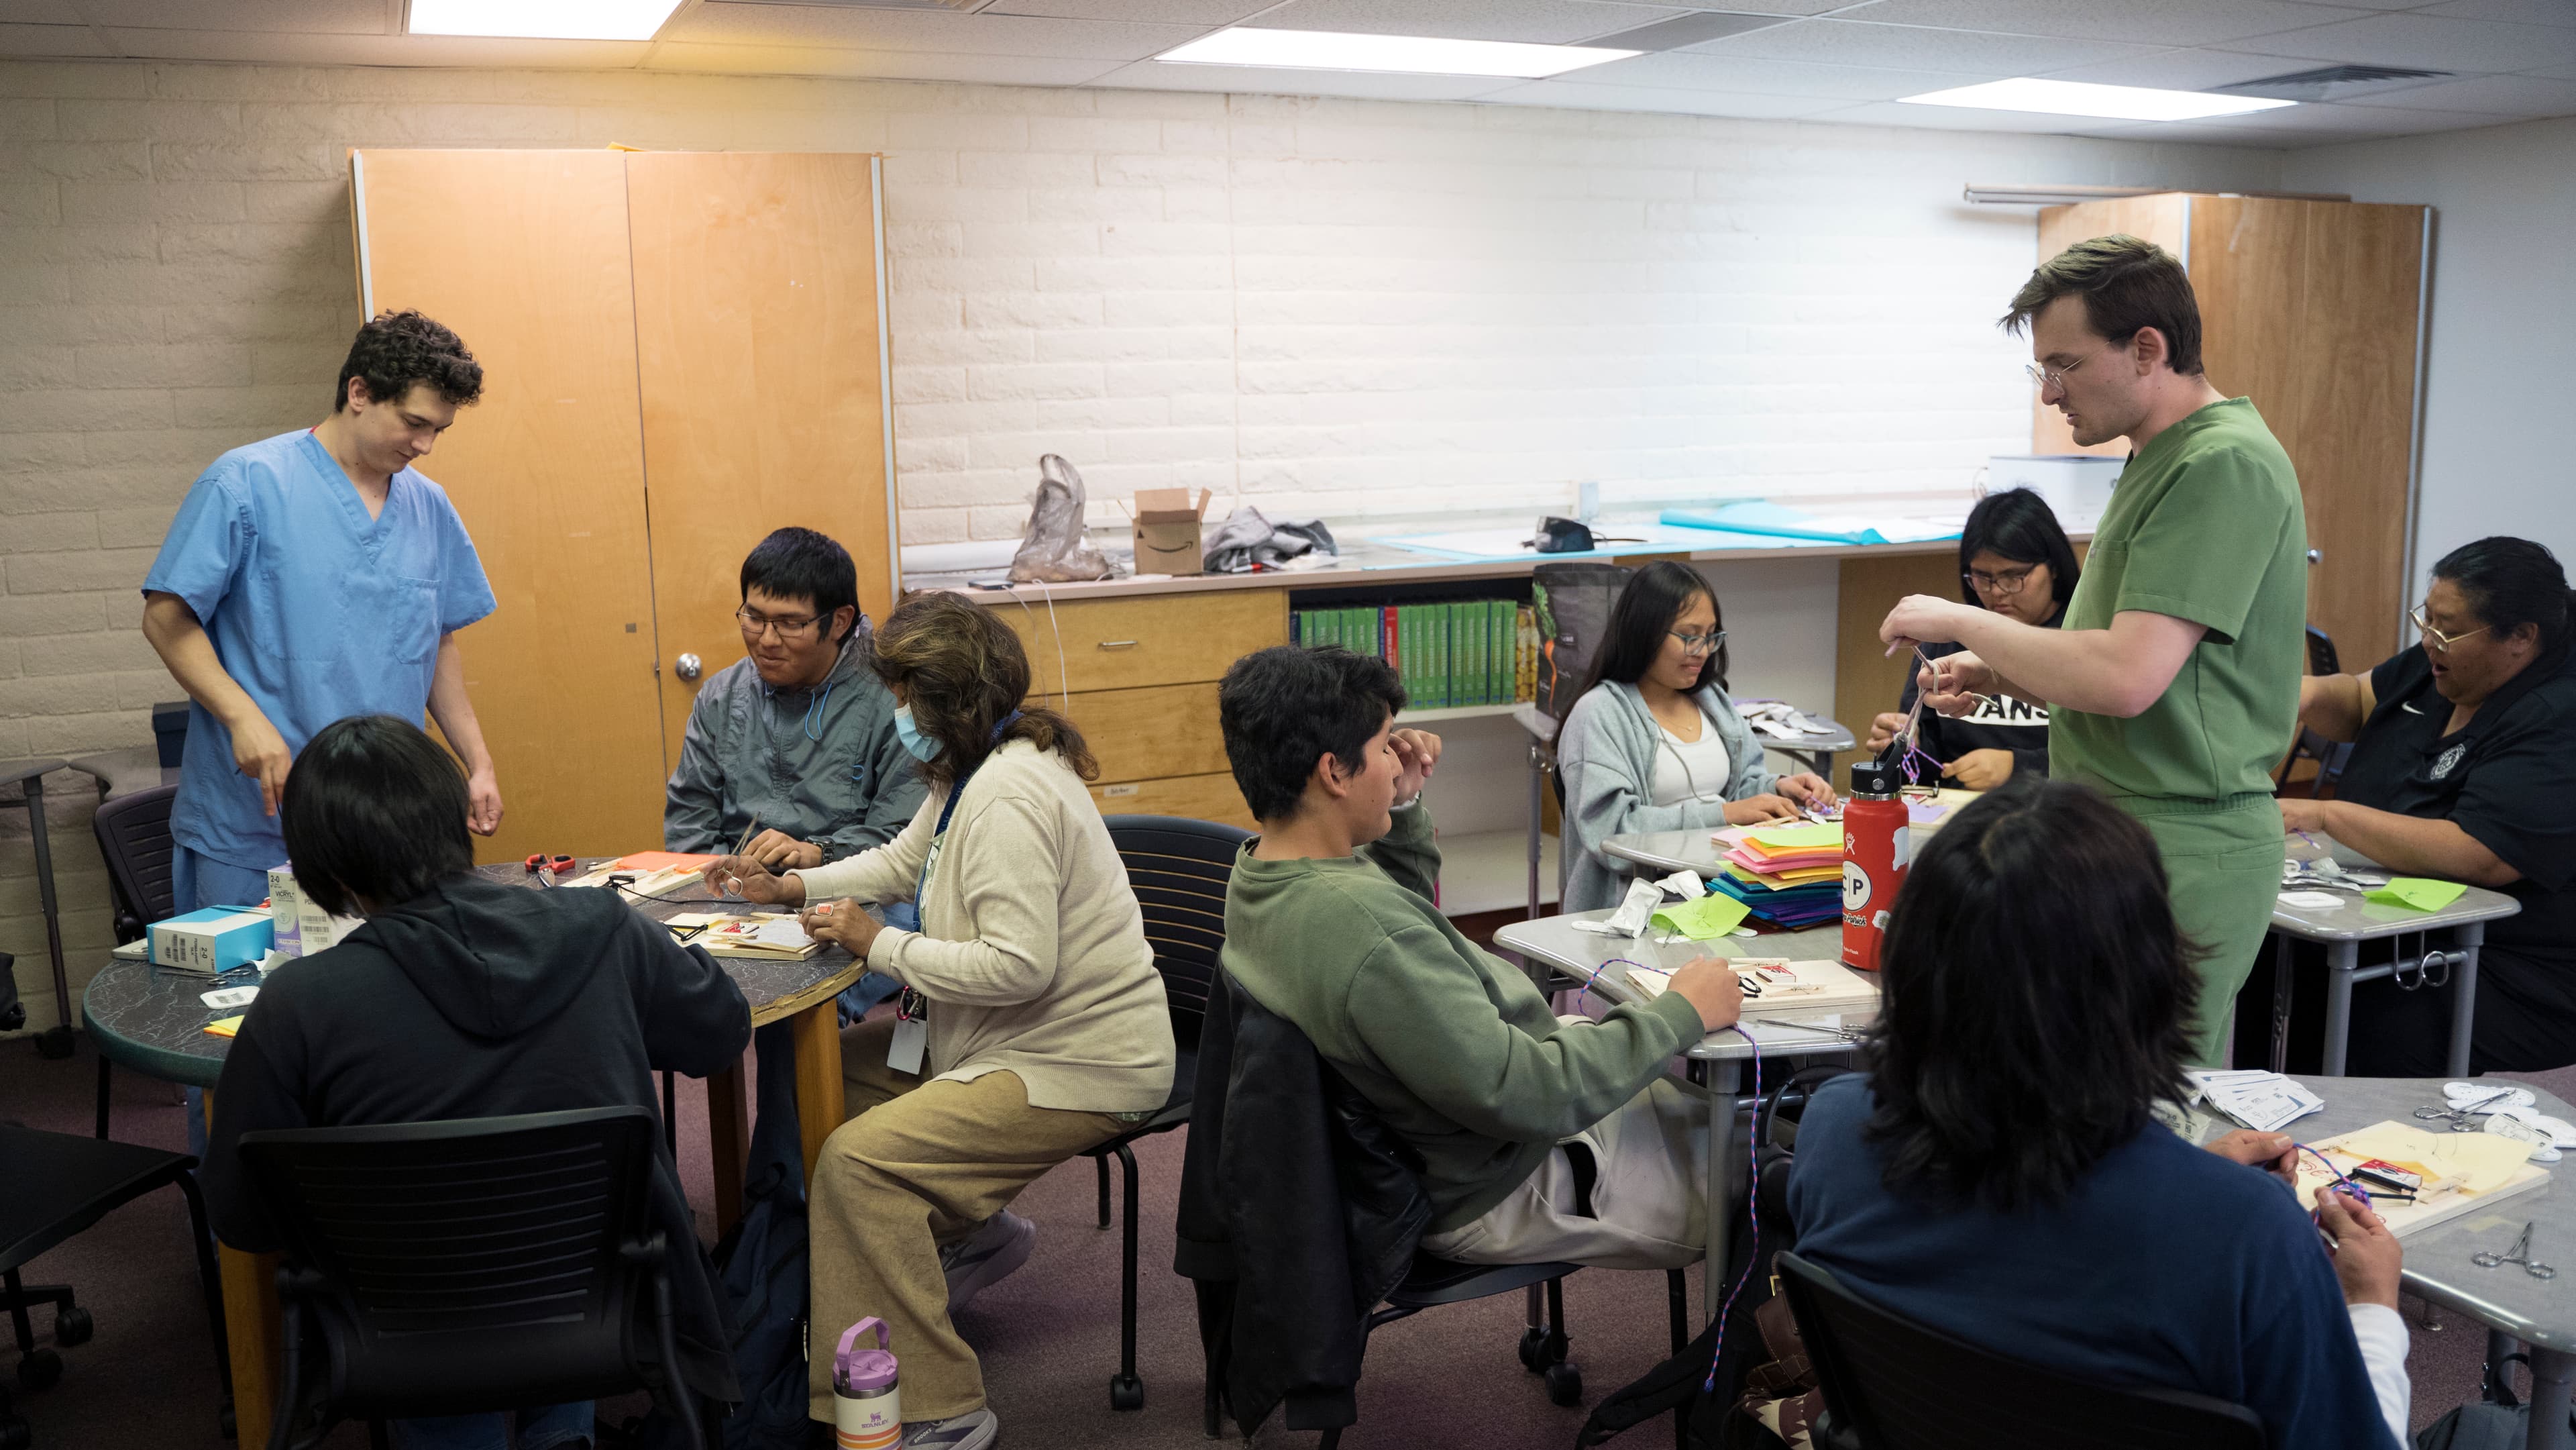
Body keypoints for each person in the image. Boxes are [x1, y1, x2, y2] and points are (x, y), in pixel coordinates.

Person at [1788, 780, 2410, 1450]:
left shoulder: (1832, 1134)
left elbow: (2023, 1257)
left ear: (1910, 959)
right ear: (2149, 980)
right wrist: (2373, 1309)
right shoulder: (2250, 1238)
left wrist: (2191, 1184)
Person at [199, 715, 751, 1450]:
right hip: (605, 1308)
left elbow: (240, 1214)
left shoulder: (301, 1002)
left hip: (399, 1333)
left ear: (322, 870)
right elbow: (719, 1032)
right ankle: (561, 1436)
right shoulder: (602, 928)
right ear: (459, 817)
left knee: (434, 1276)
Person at [705, 593, 1173, 1450]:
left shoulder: (1008, 796)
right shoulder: (973, 770)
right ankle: (969, 1232)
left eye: (903, 695)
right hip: (1003, 1037)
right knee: (824, 1078)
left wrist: (878, 943)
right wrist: (795, 888)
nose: (894, 714)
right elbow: (903, 859)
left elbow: (1016, 965)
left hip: (1080, 1066)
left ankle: (940, 1407)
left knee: (860, 1162)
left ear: (946, 699)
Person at [1880, 234, 2308, 1066]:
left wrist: (1961, 620)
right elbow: (2139, 669)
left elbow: (2127, 679)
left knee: (2145, 1117)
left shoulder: (2222, 465)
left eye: (2065, 365)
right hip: (2117, 828)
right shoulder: (2157, 457)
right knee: (2080, 1100)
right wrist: (2001, 668)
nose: (2050, 392)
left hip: (2185, 838)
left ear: (2147, 349)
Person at [1216, 643, 1746, 1270]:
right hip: (1502, 1178)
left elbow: (1396, 924)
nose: (1397, 759)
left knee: (1722, 1112)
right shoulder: (1366, 934)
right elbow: (1526, 1091)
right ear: (1334, 772)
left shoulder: (1267, 873)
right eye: (1386, 746)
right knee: (1777, 1178)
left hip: (1456, 1133)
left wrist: (1400, 805)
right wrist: (1679, 1013)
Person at [142, 309, 504, 917]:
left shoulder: (429, 507)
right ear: (359, 392)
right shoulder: (246, 483)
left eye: (438, 430)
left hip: (382, 824)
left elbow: (435, 642)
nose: (424, 445)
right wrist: (242, 718)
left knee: (382, 1000)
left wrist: (479, 762)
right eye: (414, 422)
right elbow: (165, 618)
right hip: (258, 823)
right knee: (246, 1005)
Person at [2275, 537, 2576, 1075]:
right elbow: (2362, 701)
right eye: (2427, 620)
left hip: (2515, 962)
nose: (2430, 640)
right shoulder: (2448, 659)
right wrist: (2297, 695)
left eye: (2448, 629)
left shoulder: (2557, 713)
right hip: (2400, 916)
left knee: (2371, 1016)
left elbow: (2484, 852)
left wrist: (2324, 815)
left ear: (2521, 638)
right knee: (2278, 960)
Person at [1557, 562, 1839, 913]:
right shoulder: (1600, 713)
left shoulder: (1712, 701)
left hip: (1723, 891)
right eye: (1690, 636)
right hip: (1638, 910)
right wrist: (1726, 813)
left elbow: (1739, 790)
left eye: (1711, 636)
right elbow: (1612, 833)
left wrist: (1778, 790)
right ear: (1644, 632)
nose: (1703, 651)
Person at [664, 527, 924, 874]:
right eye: (754, 618)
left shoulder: (893, 700)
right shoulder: (721, 697)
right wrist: (723, 882)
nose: (767, 640)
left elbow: (905, 837)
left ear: (839, 621)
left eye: (790, 623)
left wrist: (817, 854)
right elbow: (689, 824)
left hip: (849, 894)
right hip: (732, 896)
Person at [1864, 488, 2076, 790]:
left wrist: (2020, 766)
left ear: (2053, 567)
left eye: (2013, 576)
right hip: (1961, 813)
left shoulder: (2082, 637)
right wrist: (1904, 748)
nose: (1997, 591)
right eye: (1982, 578)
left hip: (2060, 810)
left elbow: (2112, 755)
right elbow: (1926, 772)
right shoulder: (1946, 641)